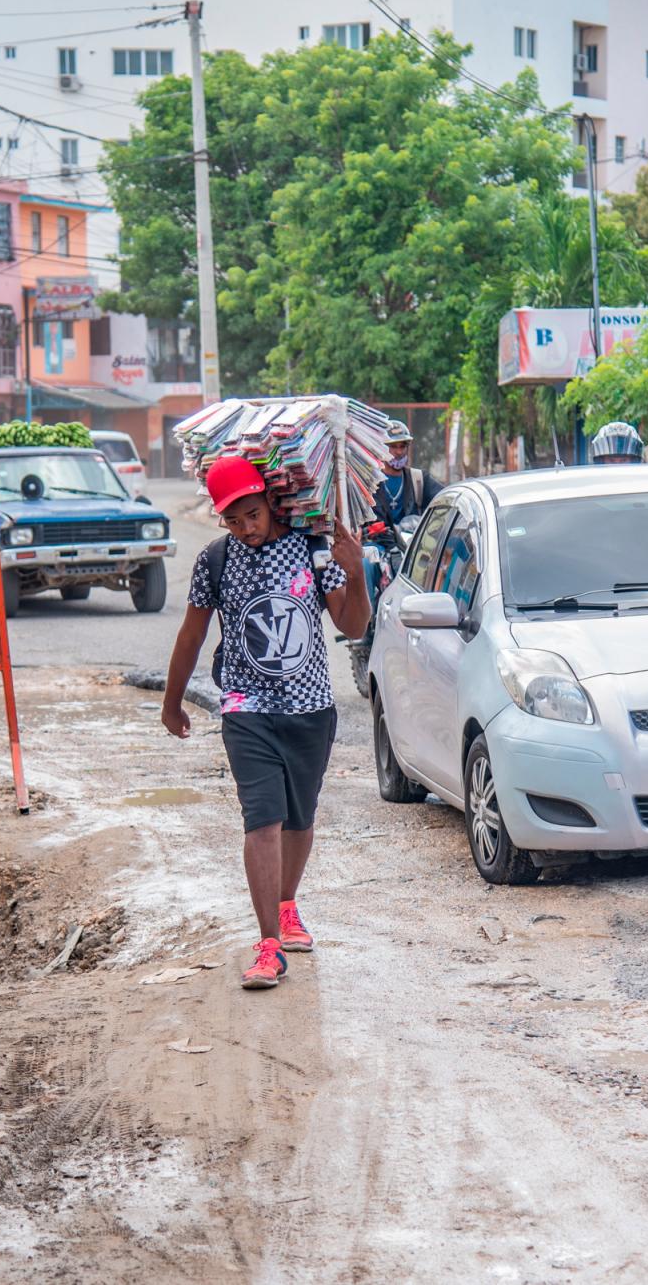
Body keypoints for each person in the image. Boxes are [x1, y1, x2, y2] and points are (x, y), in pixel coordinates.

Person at [160, 456, 370, 991]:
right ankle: (269, 944)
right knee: (263, 821)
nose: (245, 529)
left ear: (270, 503)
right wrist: (172, 699)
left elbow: (352, 623)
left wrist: (357, 572)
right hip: (245, 709)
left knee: (299, 819)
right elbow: (191, 635)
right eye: (233, 521)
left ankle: (287, 903)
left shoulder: (312, 549)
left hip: (310, 709)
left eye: (251, 516)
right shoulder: (215, 561)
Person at [372, 419, 442, 530]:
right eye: (393, 446)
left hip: (410, 545)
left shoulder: (419, 479)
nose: (399, 452)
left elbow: (444, 499)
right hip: (378, 545)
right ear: (382, 448)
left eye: (402, 446)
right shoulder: (370, 481)